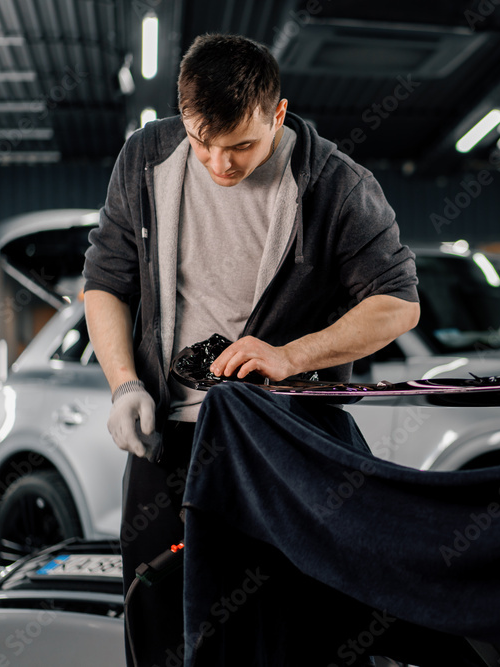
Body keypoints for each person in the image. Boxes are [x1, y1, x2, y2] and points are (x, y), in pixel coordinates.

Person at [82, 34, 420, 667]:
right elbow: (105, 283)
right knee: (158, 624)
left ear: (278, 114)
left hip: (286, 449)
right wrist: (125, 383)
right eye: (202, 142)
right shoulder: (145, 159)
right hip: (169, 445)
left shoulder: (336, 186)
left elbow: (398, 302)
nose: (219, 165)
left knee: (299, 629)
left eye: (241, 145)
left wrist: (290, 356)